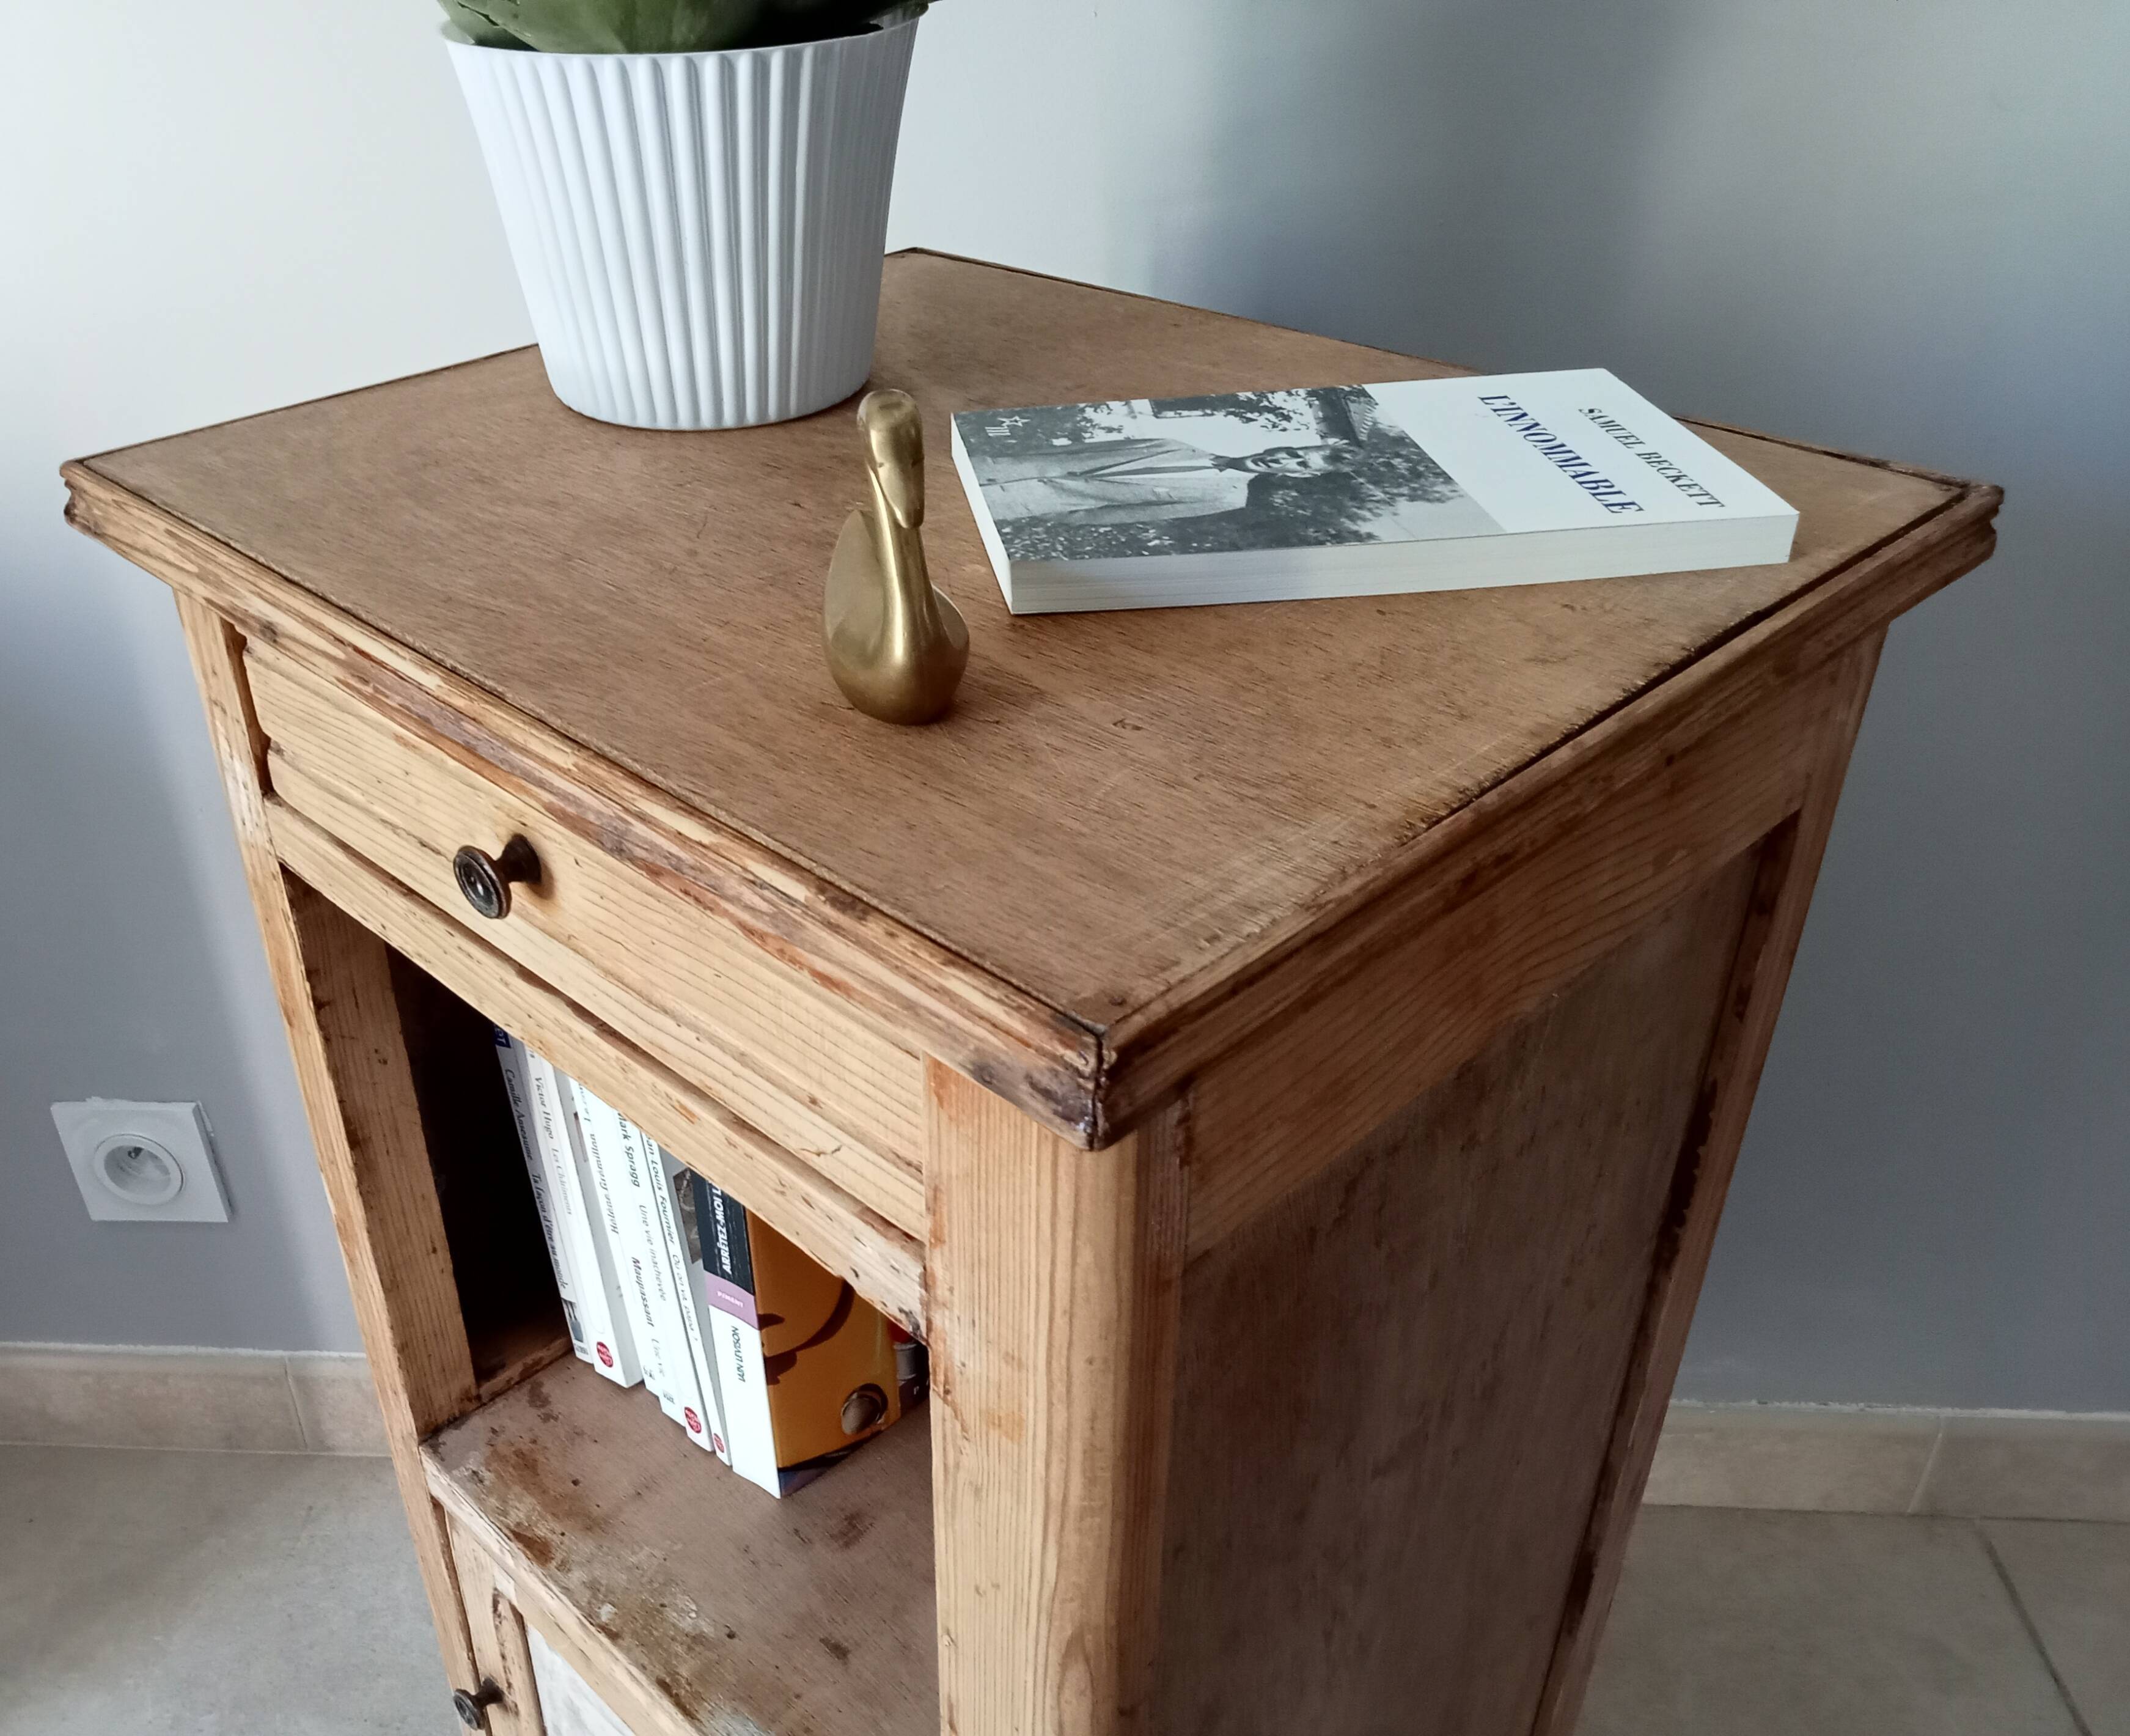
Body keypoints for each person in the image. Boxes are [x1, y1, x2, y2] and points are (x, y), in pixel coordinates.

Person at [972, 438, 1357, 526]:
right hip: (995, 466)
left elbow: (1124, 516)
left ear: (1303, 474)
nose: (1283, 458)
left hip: (1024, 504)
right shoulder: (1175, 443)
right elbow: (1081, 448)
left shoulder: (1228, 498)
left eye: (1299, 463)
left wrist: (1062, 518)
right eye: (1295, 449)